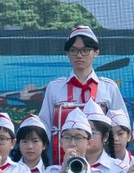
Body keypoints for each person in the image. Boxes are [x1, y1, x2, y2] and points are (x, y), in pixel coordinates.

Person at [36, 25, 126, 154]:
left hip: (101, 163)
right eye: (73, 50)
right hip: (62, 161)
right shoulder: (54, 88)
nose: (79, 55)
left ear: (96, 52)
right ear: (67, 53)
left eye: (85, 50)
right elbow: (45, 126)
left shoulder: (109, 88)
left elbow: (121, 126)